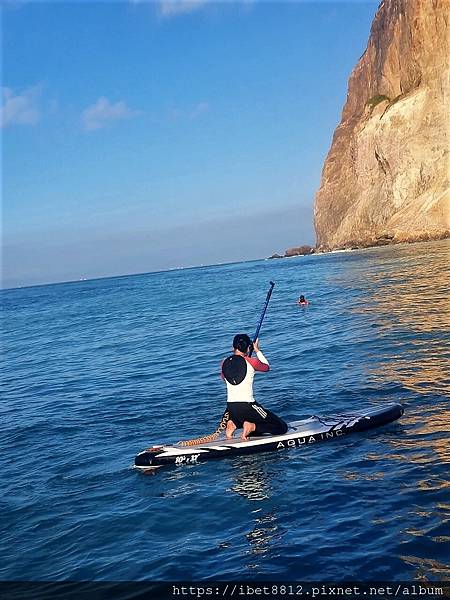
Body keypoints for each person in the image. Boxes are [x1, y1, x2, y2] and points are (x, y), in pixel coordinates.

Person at [221, 334, 288, 440]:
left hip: (231, 408)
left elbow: (224, 378)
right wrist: (257, 350)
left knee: (244, 417)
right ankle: (252, 426)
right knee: (281, 427)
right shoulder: (252, 361)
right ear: (248, 348)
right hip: (248, 405)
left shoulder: (224, 362)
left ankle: (233, 423)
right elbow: (266, 367)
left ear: (232, 348)